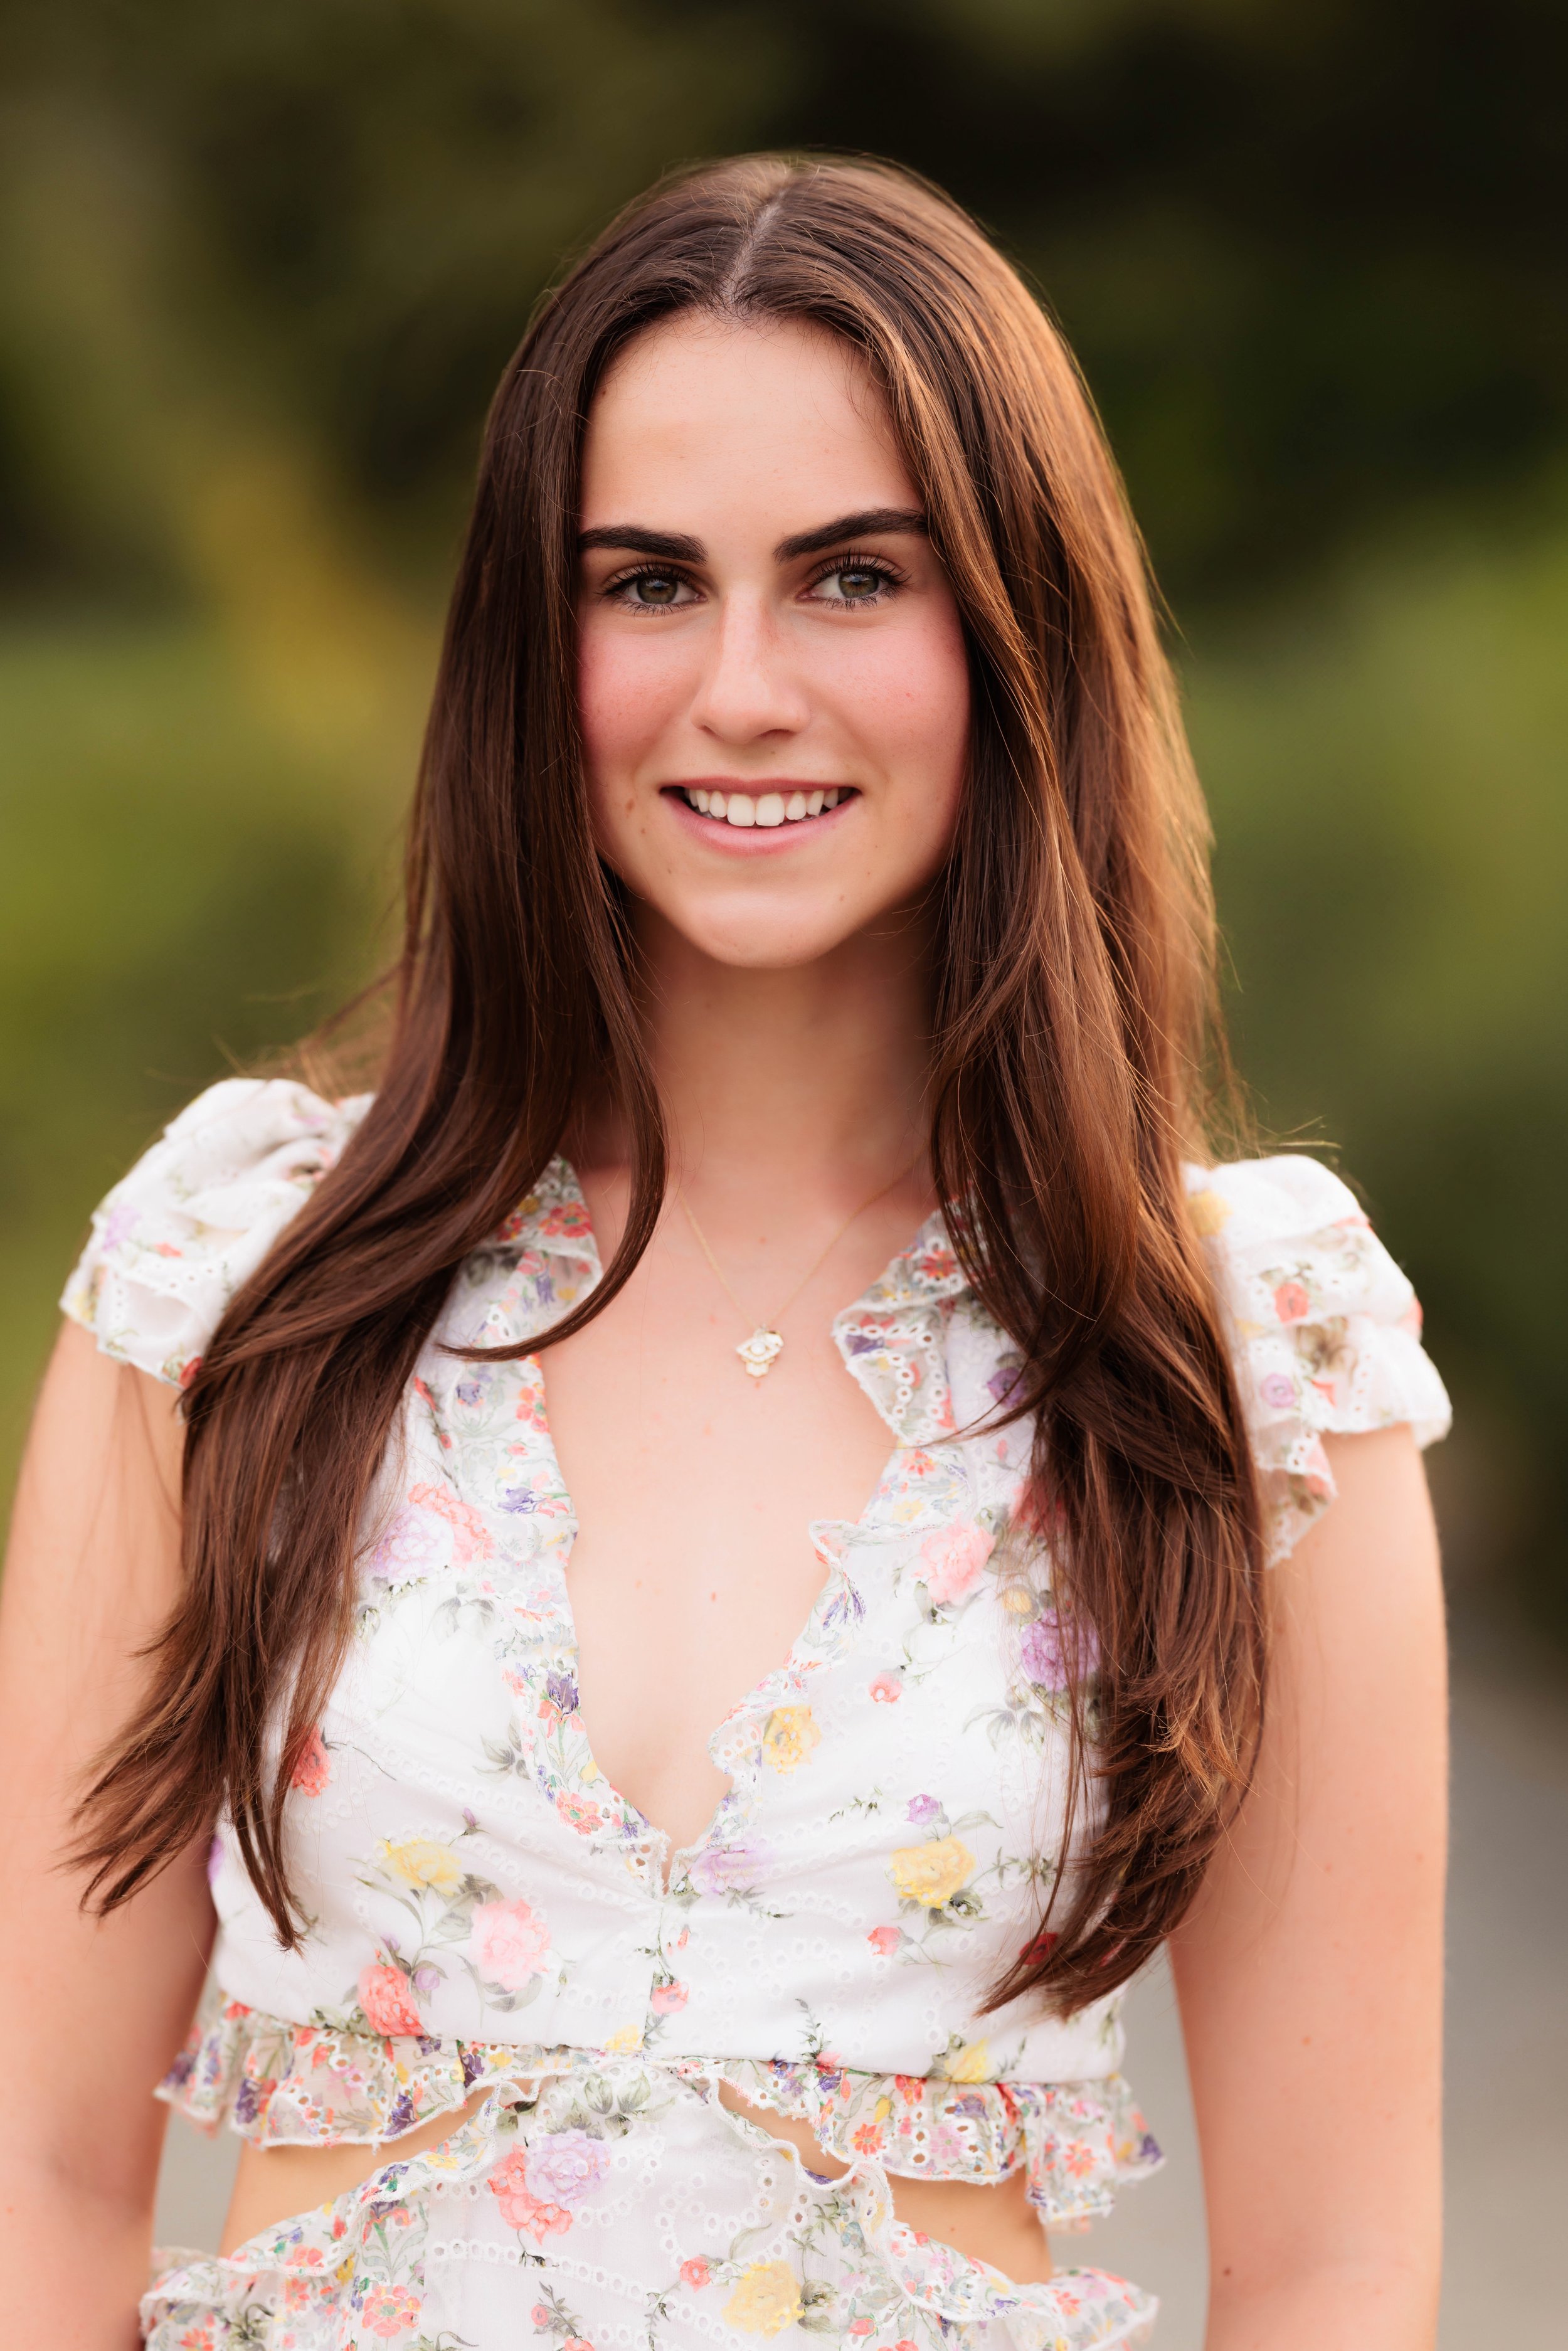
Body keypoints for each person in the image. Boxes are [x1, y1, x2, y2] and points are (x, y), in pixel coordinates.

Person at [0, 156, 1451, 2351]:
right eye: (647, 582)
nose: (744, 686)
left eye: (853, 577)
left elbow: (1333, 2271)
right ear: (526, 640)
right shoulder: (235, 1276)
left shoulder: (1243, 1345)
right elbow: (36, 2178)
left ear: (1009, 628)